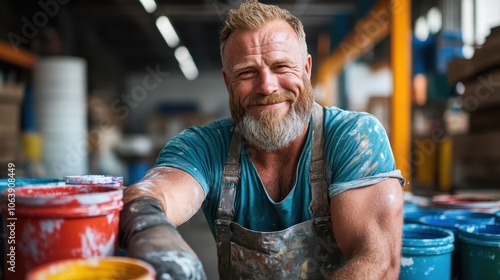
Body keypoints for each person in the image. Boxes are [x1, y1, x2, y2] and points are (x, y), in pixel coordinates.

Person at [119, 0, 405, 279]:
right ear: (227, 81)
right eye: (247, 72)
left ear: (306, 69)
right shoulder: (202, 147)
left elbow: (376, 260)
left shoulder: (354, 137)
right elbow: (150, 195)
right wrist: (154, 233)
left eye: (281, 67)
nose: (267, 86)